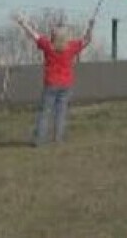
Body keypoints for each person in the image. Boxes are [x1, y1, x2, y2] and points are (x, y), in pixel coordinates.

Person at [15, 13, 93, 146]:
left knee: (44, 112)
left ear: (54, 36)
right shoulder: (71, 47)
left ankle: (39, 139)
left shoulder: (48, 46)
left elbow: (34, 35)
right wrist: (90, 27)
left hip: (51, 83)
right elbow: (86, 41)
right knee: (61, 113)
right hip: (66, 84)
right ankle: (58, 139)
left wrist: (23, 24)